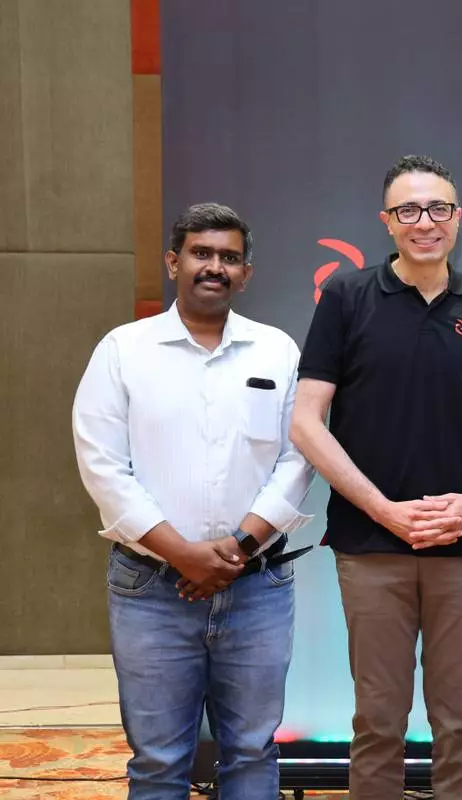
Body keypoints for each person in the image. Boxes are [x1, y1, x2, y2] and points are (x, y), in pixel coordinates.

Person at [71, 202, 315, 799]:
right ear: (173, 262)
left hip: (256, 586)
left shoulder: (277, 351)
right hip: (150, 589)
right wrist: (182, 554)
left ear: (246, 274)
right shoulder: (123, 349)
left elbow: (298, 457)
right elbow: (103, 466)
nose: (214, 267)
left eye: (229, 257)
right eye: (201, 254)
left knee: (253, 752)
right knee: (158, 760)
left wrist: (236, 548)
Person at [289, 155, 462, 800]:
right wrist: (383, 509)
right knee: (377, 720)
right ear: (387, 221)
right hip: (371, 544)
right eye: (408, 210)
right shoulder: (346, 297)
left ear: (457, 218)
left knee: (460, 719)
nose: (425, 222)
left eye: (438, 208)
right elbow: (306, 422)